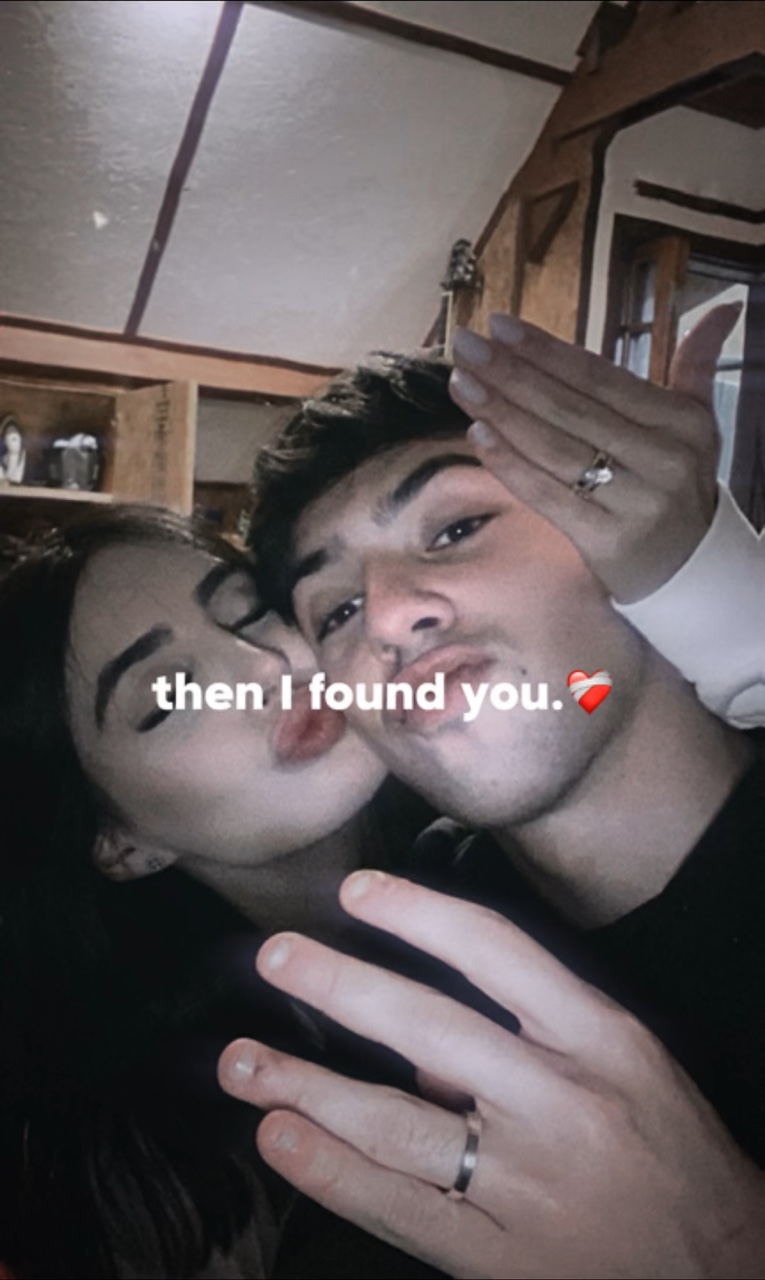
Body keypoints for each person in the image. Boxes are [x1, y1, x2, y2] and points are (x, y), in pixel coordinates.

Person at [234, 336, 764, 1274]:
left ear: (623, 535)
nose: (388, 615)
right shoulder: (402, 961)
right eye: (337, 612)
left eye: (454, 530)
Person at [0, 505, 440, 1280]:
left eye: (252, 611)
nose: (267, 666)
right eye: (169, 695)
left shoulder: (522, 844)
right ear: (118, 842)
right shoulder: (177, 1170)